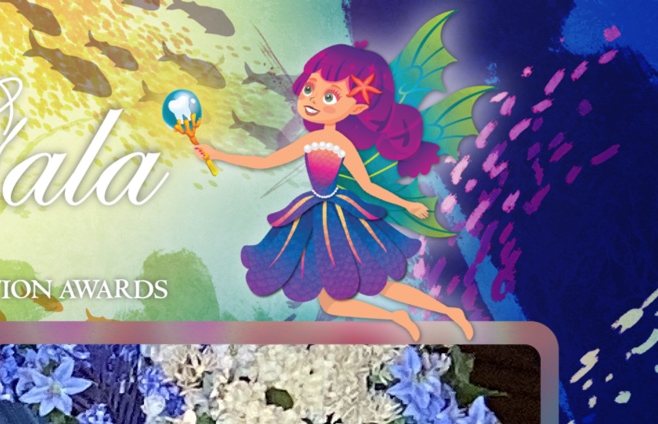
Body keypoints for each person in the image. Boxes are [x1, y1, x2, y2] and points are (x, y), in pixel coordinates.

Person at [194, 41, 475, 342]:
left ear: (357, 107)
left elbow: (367, 185)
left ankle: (448, 311)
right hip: (314, 218)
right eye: (309, 89)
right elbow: (265, 162)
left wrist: (406, 205)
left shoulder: (342, 144)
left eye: (329, 96)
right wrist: (218, 154)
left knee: (380, 285)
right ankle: (397, 317)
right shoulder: (308, 141)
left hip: (340, 219)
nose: (312, 100)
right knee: (331, 302)